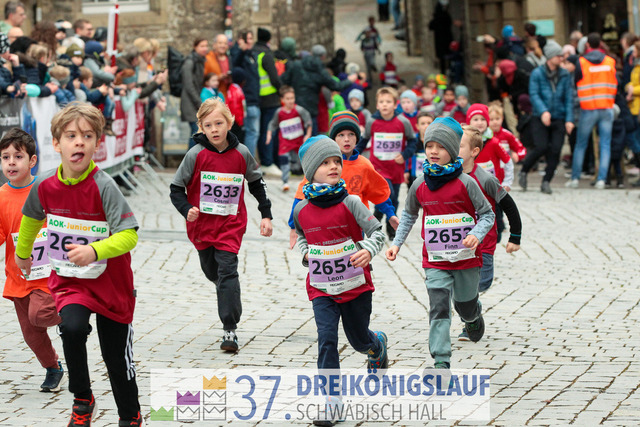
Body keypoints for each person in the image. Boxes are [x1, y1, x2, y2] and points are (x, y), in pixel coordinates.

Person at [15, 103, 143, 426]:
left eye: (87, 136)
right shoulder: (45, 185)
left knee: (116, 359)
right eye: (71, 136)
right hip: (72, 281)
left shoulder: (104, 186)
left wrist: (95, 251)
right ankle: (83, 399)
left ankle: (130, 416)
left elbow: (129, 235)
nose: (79, 142)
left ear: (97, 143)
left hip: (111, 285)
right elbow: (31, 217)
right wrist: (22, 253)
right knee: (71, 329)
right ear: (56, 144)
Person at [292, 134, 388, 424]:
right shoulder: (301, 209)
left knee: (358, 340)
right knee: (327, 339)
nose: (333, 166)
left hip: (355, 286)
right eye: (325, 163)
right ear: (311, 171)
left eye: (336, 161)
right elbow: (302, 237)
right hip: (321, 288)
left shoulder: (351, 202)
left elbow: (377, 232)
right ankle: (332, 402)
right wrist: (306, 253)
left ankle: (376, 345)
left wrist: (367, 250)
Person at [385, 117, 494, 369]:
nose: (434, 151)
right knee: (439, 306)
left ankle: (473, 315)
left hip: (466, 259)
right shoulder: (420, 183)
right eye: (429, 146)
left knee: (464, 306)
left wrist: (476, 234)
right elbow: (409, 215)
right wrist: (397, 244)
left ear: (453, 150)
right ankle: (441, 362)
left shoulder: (466, 183)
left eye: (441, 146)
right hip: (435, 260)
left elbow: (487, 214)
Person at [170, 98, 273, 353]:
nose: (214, 129)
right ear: (201, 128)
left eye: (219, 123)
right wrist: (186, 209)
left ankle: (230, 328)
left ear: (229, 123)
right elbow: (176, 189)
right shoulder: (195, 154)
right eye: (208, 125)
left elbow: (256, 183)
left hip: (230, 224)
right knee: (212, 272)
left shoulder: (242, 153)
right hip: (202, 227)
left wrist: (266, 214)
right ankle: (225, 290)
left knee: (228, 271)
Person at [0, 129, 64, 394]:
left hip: (47, 274)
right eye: (5, 157)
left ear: (32, 160)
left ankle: (72, 315)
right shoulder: (1, 196)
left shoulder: (45, 190)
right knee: (30, 333)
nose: (11, 162)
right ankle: (53, 367)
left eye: (18, 156)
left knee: (40, 314)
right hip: (19, 276)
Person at [288, 111, 398, 248]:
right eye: (341, 135)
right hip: (327, 223)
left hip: (355, 224)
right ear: (333, 139)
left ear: (357, 137)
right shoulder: (319, 166)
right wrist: (293, 226)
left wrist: (390, 214)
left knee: (355, 258)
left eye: (351, 134)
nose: (347, 139)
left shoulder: (364, 165)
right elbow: (301, 195)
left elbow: (379, 193)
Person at [457, 125, 521, 296]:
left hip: (483, 246)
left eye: (459, 146)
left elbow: (509, 205)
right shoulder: (445, 177)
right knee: (458, 290)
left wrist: (515, 237)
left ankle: (472, 311)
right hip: (454, 245)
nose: (453, 148)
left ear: (474, 151)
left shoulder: (486, 179)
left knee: (480, 286)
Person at [356, 87, 417, 240]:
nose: (384, 104)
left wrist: (404, 155)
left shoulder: (403, 122)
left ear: (395, 105)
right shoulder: (372, 122)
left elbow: (412, 142)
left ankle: (387, 224)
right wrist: (352, 155)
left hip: (396, 168)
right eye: (381, 102)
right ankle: (379, 223)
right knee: (387, 193)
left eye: (388, 102)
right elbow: (363, 141)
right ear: (377, 105)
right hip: (378, 168)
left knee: (394, 198)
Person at [518, 40, 574, 194]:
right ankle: (524, 170)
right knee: (541, 147)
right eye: (558, 56)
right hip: (540, 117)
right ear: (550, 57)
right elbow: (534, 94)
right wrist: (543, 111)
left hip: (559, 116)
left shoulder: (565, 75)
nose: (561, 58)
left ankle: (546, 181)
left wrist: (569, 119)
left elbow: (569, 98)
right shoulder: (537, 73)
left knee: (556, 149)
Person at [568, 33, 617, 190]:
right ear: (600, 44)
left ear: (587, 45)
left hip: (588, 108)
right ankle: (601, 180)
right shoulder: (610, 61)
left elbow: (576, 82)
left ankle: (575, 178)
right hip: (607, 107)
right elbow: (616, 82)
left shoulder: (581, 62)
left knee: (581, 144)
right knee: (605, 144)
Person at [280, 44, 355, 135]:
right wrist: (349, 80)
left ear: (311, 53)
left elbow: (282, 80)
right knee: (311, 139)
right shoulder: (320, 71)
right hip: (311, 110)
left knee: (296, 137)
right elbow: (336, 86)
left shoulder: (296, 65)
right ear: (323, 57)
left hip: (295, 107)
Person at [266, 85, 312, 191]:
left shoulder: (299, 110)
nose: (290, 101)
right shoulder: (279, 112)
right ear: (282, 100)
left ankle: (307, 182)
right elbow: (272, 124)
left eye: (292, 98)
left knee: (300, 163)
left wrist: (308, 134)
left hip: (297, 142)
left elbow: (308, 121)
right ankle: (285, 182)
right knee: (284, 161)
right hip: (285, 142)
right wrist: (269, 135)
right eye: (288, 99)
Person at [466, 103, 514, 190]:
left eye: (483, 119)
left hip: (492, 189)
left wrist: (507, 183)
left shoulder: (494, 142)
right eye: (475, 119)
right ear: (469, 122)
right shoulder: (464, 142)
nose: (480, 122)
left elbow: (508, 162)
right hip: (472, 189)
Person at [253, 27, 282, 176]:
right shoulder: (266, 54)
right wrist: (281, 90)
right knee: (269, 131)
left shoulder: (253, 52)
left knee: (259, 131)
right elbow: (274, 78)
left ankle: (263, 160)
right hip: (270, 99)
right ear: (268, 40)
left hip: (257, 97)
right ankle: (267, 162)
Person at [230, 30, 260, 157]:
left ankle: (246, 159)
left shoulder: (251, 54)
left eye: (251, 39)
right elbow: (235, 64)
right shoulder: (238, 54)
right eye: (247, 39)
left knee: (252, 132)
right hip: (247, 100)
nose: (250, 42)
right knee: (251, 132)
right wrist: (242, 51)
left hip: (254, 99)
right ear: (240, 41)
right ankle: (248, 160)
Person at [181, 37, 208, 149]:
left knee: (197, 131)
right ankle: (191, 158)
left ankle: (194, 157)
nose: (205, 49)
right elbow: (188, 84)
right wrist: (198, 102)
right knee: (196, 132)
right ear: (195, 47)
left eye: (206, 46)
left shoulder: (200, 61)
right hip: (190, 102)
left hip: (195, 101)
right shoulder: (190, 62)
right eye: (202, 46)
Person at [405, 111, 433, 188]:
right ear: (417, 126)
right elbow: (406, 156)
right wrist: (405, 171)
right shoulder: (413, 140)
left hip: (432, 176)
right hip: (414, 175)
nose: (426, 126)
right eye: (423, 123)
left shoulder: (438, 141)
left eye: (429, 123)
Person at [428, 0, 453, 74]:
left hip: (440, 40)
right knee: (448, 56)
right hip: (447, 39)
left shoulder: (437, 17)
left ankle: (443, 73)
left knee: (442, 59)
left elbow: (431, 26)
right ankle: (449, 71)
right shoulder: (446, 16)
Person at [204, 34, 232, 98]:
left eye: (225, 43)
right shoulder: (208, 59)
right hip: (211, 97)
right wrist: (218, 77)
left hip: (227, 96)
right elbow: (203, 78)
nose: (223, 46)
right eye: (220, 43)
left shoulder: (229, 58)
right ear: (214, 45)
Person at [355, 17, 381, 83]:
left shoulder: (374, 32)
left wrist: (379, 43)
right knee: (368, 67)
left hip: (371, 52)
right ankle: (370, 78)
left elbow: (378, 37)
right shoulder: (364, 39)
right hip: (366, 53)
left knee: (372, 62)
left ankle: (373, 67)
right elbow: (361, 35)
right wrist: (357, 39)